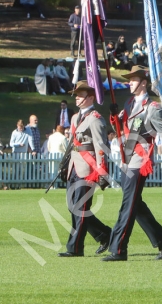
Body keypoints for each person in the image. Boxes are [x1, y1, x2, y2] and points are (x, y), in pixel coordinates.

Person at [102, 66, 162, 262]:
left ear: (144, 83)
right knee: (135, 204)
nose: (130, 83)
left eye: (134, 80)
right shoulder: (129, 104)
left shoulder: (152, 108)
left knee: (128, 205)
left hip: (140, 159)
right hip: (127, 158)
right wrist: (114, 117)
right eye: (129, 80)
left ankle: (119, 248)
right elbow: (120, 129)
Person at [57, 81, 113, 257]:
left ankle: (75, 248)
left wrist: (102, 172)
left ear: (90, 97)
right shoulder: (75, 118)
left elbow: (101, 147)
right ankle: (105, 234)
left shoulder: (95, 119)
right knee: (72, 207)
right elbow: (72, 144)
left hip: (88, 168)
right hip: (74, 166)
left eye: (80, 95)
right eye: (76, 95)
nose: (77, 98)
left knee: (80, 209)